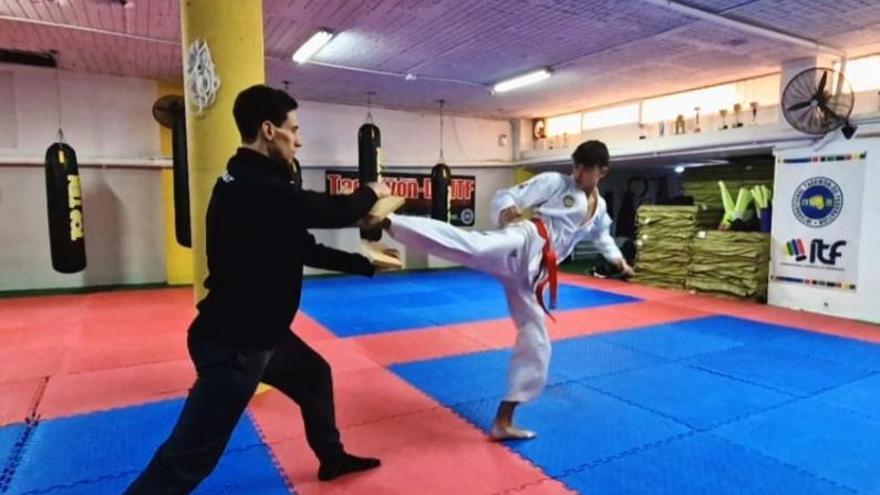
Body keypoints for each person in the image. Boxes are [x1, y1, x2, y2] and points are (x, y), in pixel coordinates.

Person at [125, 85, 395, 494]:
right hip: (237, 345)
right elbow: (324, 210)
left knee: (313, 376)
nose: (298, 139)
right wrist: (370, 192)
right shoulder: (257, 187)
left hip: (258, 335)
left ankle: (331, 458)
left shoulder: (247, 179)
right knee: (188, 459)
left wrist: (364, 264)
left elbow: (302, 246)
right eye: (294, 129)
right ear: (269, 130)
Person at [382, 140, 633, 440]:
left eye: (585, 169)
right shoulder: (556, 182)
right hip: (527, 239)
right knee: (472, 246)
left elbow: (602, 236)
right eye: (576, 166)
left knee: (537, 342)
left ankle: (503, 420)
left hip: (533, 275)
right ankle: (389, 221)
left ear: (602, 171)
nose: (577, 174)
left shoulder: (600, 207)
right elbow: (508, 195)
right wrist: (507, 212)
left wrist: (620, 263)